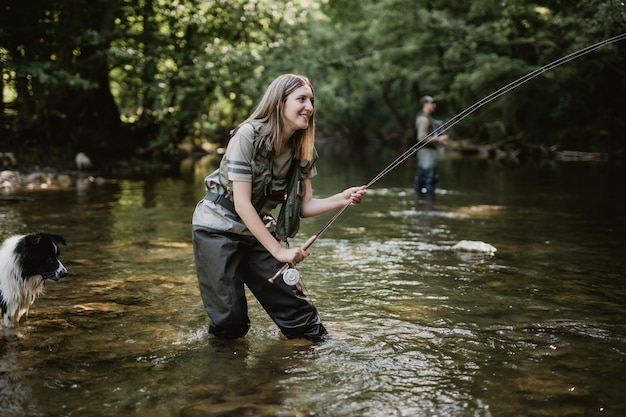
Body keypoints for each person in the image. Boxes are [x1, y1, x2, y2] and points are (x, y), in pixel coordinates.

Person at [192, 74, 367, 342]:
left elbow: (304, 206)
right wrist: (279, 251)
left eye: (311, 100)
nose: (309, 107)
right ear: (279, 103)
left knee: (302, 318)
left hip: (257, 228)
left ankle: (319, 361)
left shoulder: (303, 149)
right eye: (301, 99)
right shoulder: (247, 135)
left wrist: (342, 199)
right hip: (217, 228)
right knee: (231, 324)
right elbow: (241, 203)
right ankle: (226, 379)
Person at [414, 95, 448, 198]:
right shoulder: (424, 119)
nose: (434, 105)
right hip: (426, 153)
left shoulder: (427, 118)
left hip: (426, 152)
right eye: (432, 103)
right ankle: (429, 203)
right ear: (425, 104)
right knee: (430, 177)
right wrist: (439, 139)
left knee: (422, 177)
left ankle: (419, 199)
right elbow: (421, 137)